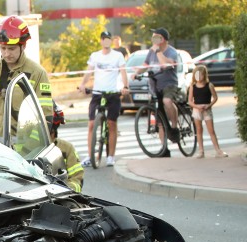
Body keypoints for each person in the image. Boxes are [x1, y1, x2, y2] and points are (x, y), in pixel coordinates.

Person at [0, 15, 52, 141]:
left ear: (23, 45)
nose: (7, 54)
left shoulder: (37, 73)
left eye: (11, 49)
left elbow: (45, 116)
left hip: (23, 145)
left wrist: (31, 146)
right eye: (3, 48)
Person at [78, 31, 129, 167]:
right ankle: (90, 156)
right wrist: (83, 84)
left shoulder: (117, 56)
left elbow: (123, 72)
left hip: (113, 93)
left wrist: (125, 86)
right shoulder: (95, 56)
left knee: (112, 124)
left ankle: (110, 157)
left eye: (108, 39)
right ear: (100, 41)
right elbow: (89, 72)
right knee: (91, 124)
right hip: (97, 93)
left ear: (111, 41)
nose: (106, 41)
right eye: (103, 39)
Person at [132, 27, 181, 156]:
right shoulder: (151, 51)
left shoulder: (172, 52)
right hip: (155, 85)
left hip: (169, 84)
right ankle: (164, 149)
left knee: (167, 100)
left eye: (156, 37)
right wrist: (136, 73)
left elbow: (165, 64)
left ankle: (174, 127)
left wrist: (158, 51)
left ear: (162, 39)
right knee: (159, 118)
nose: (153, 40)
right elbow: (146, 64)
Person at [188, 64, 228, 158]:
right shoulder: (192, 87)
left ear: (204, 75)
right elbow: (190, 101)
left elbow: (215, 97)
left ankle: (218, 150)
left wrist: (209, 105)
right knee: (198, 130)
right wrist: (197, 107)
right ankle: (201, 151)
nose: (199, 77)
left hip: (207, 110)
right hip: (197, 110)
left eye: (201, 75)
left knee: (211, 130)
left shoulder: (209, 85)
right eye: (197, 75)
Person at [48, 103, 84, 192]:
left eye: (51, 132)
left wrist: (67, 191)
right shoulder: (29, 146)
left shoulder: (66, 148)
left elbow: (77, 178)